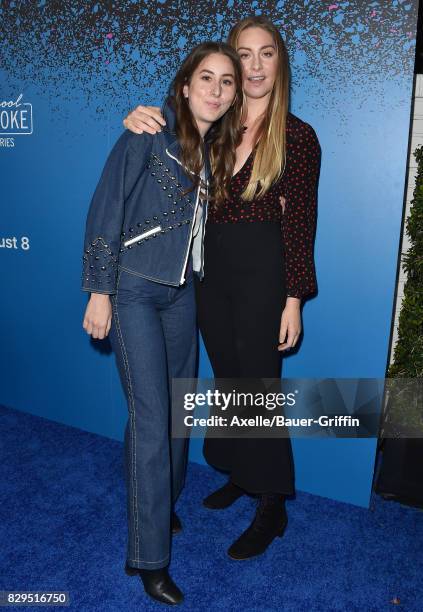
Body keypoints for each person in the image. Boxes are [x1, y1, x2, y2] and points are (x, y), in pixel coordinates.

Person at [124, 16, 321, 561]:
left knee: (258, 387)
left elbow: (302, 222)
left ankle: (273, 501)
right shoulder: (215, 125)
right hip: (209, 274)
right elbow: (169, 133)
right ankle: (242, 472)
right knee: (230, 379)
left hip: (264, 275)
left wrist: (294, 299)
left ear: (279, 62)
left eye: (266, 54)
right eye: (245, 55)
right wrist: (142, 116)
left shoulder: (298, 136)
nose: (255, 65)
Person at [81, 42, 243, 605]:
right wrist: (100, 292)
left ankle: (159, 506)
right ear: (184, 85)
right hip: (132, 292)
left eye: (227, 82)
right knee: (151, 420)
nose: (217, 90)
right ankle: (148, 558)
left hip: (182, 297)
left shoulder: (216, 150)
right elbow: (106, 211)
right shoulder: (146, 134)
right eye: (207, 78)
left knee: (178, 415)